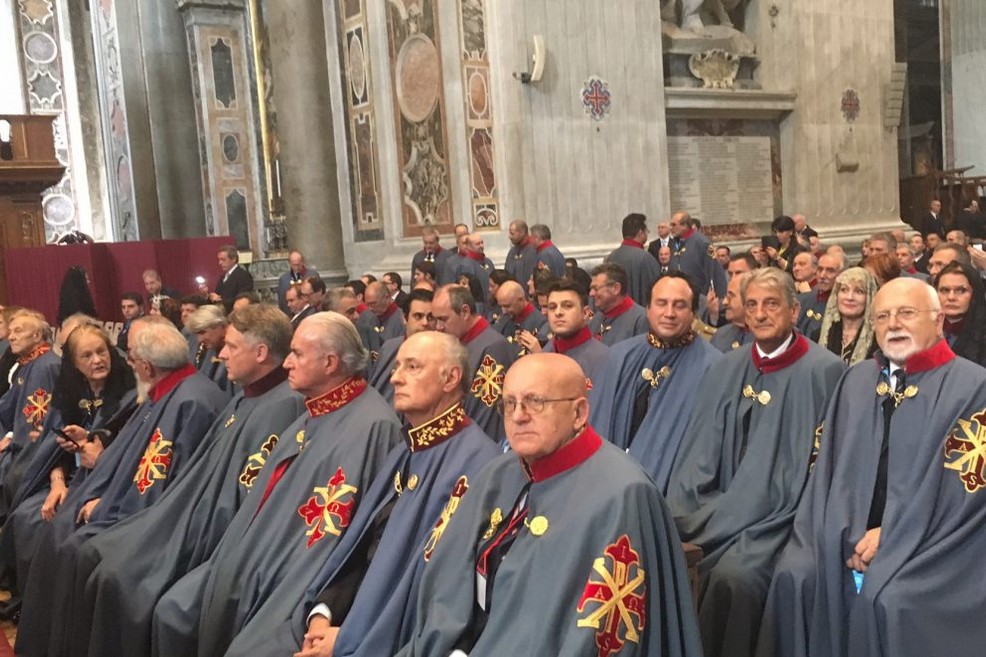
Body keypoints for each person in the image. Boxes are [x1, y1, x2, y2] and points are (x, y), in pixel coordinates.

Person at [393, 353, 704, 657]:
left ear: (579, 413)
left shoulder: (624, 494)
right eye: (510, 403)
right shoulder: (497, 473)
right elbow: (447, 585)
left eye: (536, 402)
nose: (518, 416)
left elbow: (597, 634)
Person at [223, 331, 501, 657]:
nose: (395, 378)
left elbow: (442, 596)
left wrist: (349, 640)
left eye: (412, 367)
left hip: (391, 639)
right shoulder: (406, 449)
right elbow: (359, 548)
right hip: (347, 619)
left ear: (451, 378)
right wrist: (322, 615)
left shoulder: (481, 466)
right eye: (397, 367)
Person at [151, 312, 402, 657]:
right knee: (172, 610)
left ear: (330, 363)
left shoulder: (373, 426)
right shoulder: (312, 413)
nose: (285, 363)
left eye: (297, 353)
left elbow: (340, 535)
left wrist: (265, 569)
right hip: (254, 555)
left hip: (298, 576)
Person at [759, 277, 986, 657]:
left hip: (937, 547)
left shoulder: (974, 387)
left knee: (894, 600)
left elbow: (964, 497)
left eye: (906, 313)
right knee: (795, 577)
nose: (893, 324)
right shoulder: (856, 380)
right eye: (882, 316)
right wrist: (843, 535)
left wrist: (893, 535)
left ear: (939, 319)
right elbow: (829, 474)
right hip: (847, 533)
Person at [69, 304, 307, 657]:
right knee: (96, 553)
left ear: (260, 353)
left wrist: (178, 532)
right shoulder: (246, 397)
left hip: (209, 535)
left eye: (231, 346)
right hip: (185, 516)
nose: (220, 354)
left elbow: (245, 497)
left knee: (122, 579)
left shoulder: (282, 407)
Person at [16, 317, 229, 657]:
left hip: (150, 520)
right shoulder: (167, 392)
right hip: (126, 501)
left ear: (145, 365)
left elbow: (168, 481)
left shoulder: (190, 402)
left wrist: (107, 508)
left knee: (76, 548)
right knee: (58, 532)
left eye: (127, 358)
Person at [667, 267, 845, 657]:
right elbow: (696, 455)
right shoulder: (724, 368)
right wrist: (706, 508)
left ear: (794, 311)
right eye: (752, 305)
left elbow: (824, 468)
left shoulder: (826, 371)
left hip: (783, 516)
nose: (761, 314)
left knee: (739, 578)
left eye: (771, 304)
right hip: (715, 509)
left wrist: (748, 512)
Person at [0, 322, 135, 604]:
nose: (97, 360)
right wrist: (57, 483)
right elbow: (53, 447)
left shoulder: (129, 396)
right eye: (87, 355)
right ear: (74, 362)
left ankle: (58, 604)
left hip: (106, 483)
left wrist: (89, 446)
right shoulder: (71, 392)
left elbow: (127, 451)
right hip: (72, 477)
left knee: (43, 524)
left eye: (101, 351)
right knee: (25, 516)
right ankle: (31, 600)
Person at [589, 272, 721, 491]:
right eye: (661, 303)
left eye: (680, 305)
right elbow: (596, 428)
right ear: (648, 308)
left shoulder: (714, 368)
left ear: (693, 313)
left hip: (674, 493)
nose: (669, 313)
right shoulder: (619, 357)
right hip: (607, 485)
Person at [430, 285, 515, 443]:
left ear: (465, 312)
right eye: (435, 319)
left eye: (443, 319)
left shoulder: (493, 348)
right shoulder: (457, 343)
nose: (438, 327)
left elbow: (487, 419)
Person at [368, 288, 435, 403]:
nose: (425, 323)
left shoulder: (442, 355)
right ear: (404, 318)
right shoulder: (389, 348)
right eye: (418, 316)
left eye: (430, 317)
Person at [537, 279, 609, 384]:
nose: (558, 312)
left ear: (585, 313)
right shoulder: (542, 358)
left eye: (567, 306)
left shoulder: (605, 360)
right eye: (552, 307)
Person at [818, 267, 879, 365]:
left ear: (869, 297)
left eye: (859, 291)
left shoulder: (879, 339)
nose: (850, 297)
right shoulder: (819, 334)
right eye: (844, 290)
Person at [935, 260, 986, 367]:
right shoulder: (923, 330)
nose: (951, 297)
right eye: (944, 290)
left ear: (975, 294)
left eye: (961, 290)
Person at [605, 212, 660, 307]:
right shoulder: (645, 258)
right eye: (647, 231)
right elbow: (657, 289)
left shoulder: (611, 257)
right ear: (640, 233)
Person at [587, 262, 649, 345]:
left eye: (596, 288)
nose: (591, 293)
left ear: (616, 288)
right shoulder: (595, 320)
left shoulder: (642, 320)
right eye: (591, 288)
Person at [669, 211, 727, 297]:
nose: (671, 228)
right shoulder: (673, 243)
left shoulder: (703, 243)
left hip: (699, 296)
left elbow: (713, 269)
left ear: (685, 226)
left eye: (674, 225)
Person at [186, 304, 236, 398]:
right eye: (197, 334)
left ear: (221, 326)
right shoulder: (210, 349)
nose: (199, 340)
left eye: (202, 332)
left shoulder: (238, 352)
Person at [493, 280, 549, 356]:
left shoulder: (541, 324)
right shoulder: (503, 319)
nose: (504, 311)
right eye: (501, 306)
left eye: (507, 306)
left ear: (521, 300)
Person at [356, 281, 406, 361]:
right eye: (367, 305)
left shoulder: (402, 320)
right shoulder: (364, 317)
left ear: (387, 297)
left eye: (373, 304)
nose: (370, 308)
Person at [711, 271, 754, 353]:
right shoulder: (720, 335)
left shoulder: (767, 340)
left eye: (730, 296)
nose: (724, 302)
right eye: (726, 296)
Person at [207, 244, 254, 311]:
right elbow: (218, 295)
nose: (220, 263)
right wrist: (210, 296)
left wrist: (220, 300)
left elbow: (242, 299)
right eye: (219, 259)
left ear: (234, 259)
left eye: (223, 260)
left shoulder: (243, 275)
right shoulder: (223, 277)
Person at [504, 220, 537, 287]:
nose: (509, 237)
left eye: (512, 233)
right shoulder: (512, 252)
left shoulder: (534, 251)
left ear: (522, 233)